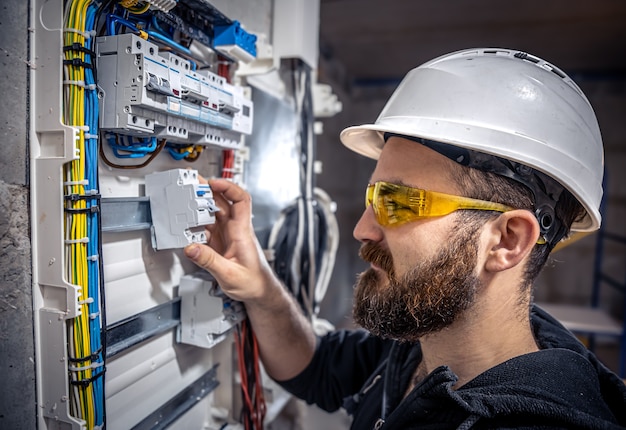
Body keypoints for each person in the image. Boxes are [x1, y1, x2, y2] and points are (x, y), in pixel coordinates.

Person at [184, 48, 626, 429]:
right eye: (373, 195)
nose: (362, 229)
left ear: (507, 240)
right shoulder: (424, 334)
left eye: (398, 201)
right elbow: (316, 368)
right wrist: (260, 287)